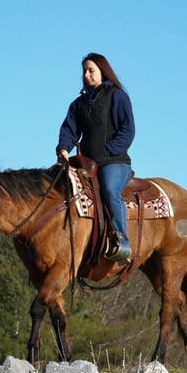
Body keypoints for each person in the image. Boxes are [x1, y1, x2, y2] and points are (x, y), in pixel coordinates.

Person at [56, 53, 136, 263]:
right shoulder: (78, 104)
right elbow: (69, 129)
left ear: (103, 71)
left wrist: (107, 150)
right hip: (87, 163)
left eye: (91, 70)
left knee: (110, 190)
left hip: (115, 161)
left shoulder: (117, 96)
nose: (87, 75)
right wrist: (64, 149)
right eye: (84, 71)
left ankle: (122, 242)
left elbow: (127, 131)